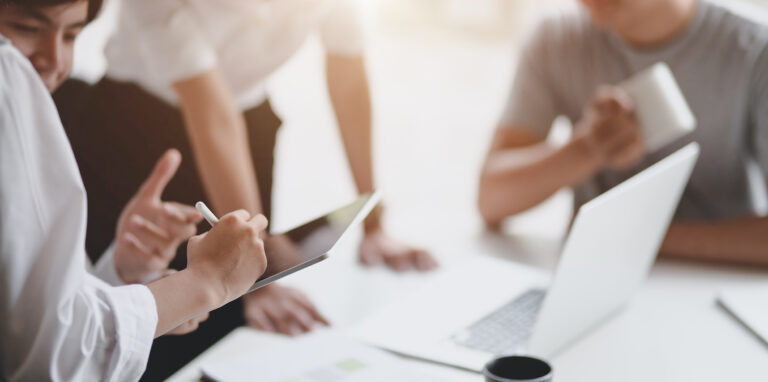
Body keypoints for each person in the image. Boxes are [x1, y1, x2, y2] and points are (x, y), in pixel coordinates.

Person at [54, 0, 439, 379]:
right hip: (133, 132)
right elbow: (211, 114)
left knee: (241, 324)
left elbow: (349, 79)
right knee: (156, 321)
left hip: (247, 121)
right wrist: (257, 273)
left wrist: (375, 226)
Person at [0, 0, 271, 379]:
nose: (56, 60)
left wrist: (115, 274)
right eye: (28, 29)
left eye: (72, 35)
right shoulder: (7, 77)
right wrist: (203, 282)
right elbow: (53, 356)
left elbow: (29, 315)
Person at [479, 0, 768, 265]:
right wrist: (586, 148)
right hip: (594, 276)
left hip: (716, 282)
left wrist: (639, 236)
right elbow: (491, 200)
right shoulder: (556, 39)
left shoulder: (755, 48)